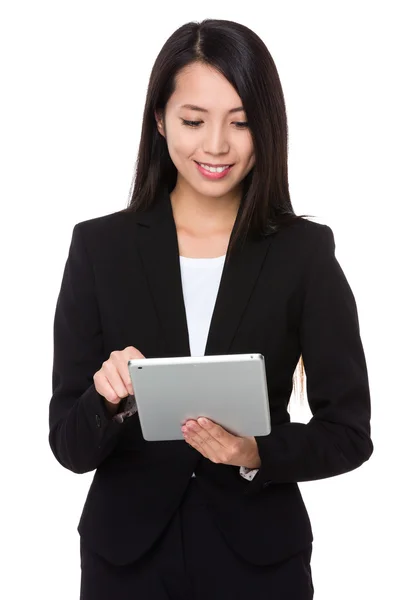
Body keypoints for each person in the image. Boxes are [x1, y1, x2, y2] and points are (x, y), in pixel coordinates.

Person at [48, 18, 373, 600]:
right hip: (126, 562)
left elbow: (348, 433)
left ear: (266, 128)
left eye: (241, 122)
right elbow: (68, 446)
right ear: (159, 121)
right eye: (194, 121)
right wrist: (105, 399)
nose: (216, 145)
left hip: (259, 561)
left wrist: (256, 453)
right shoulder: (99, 248)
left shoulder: (303, 253)